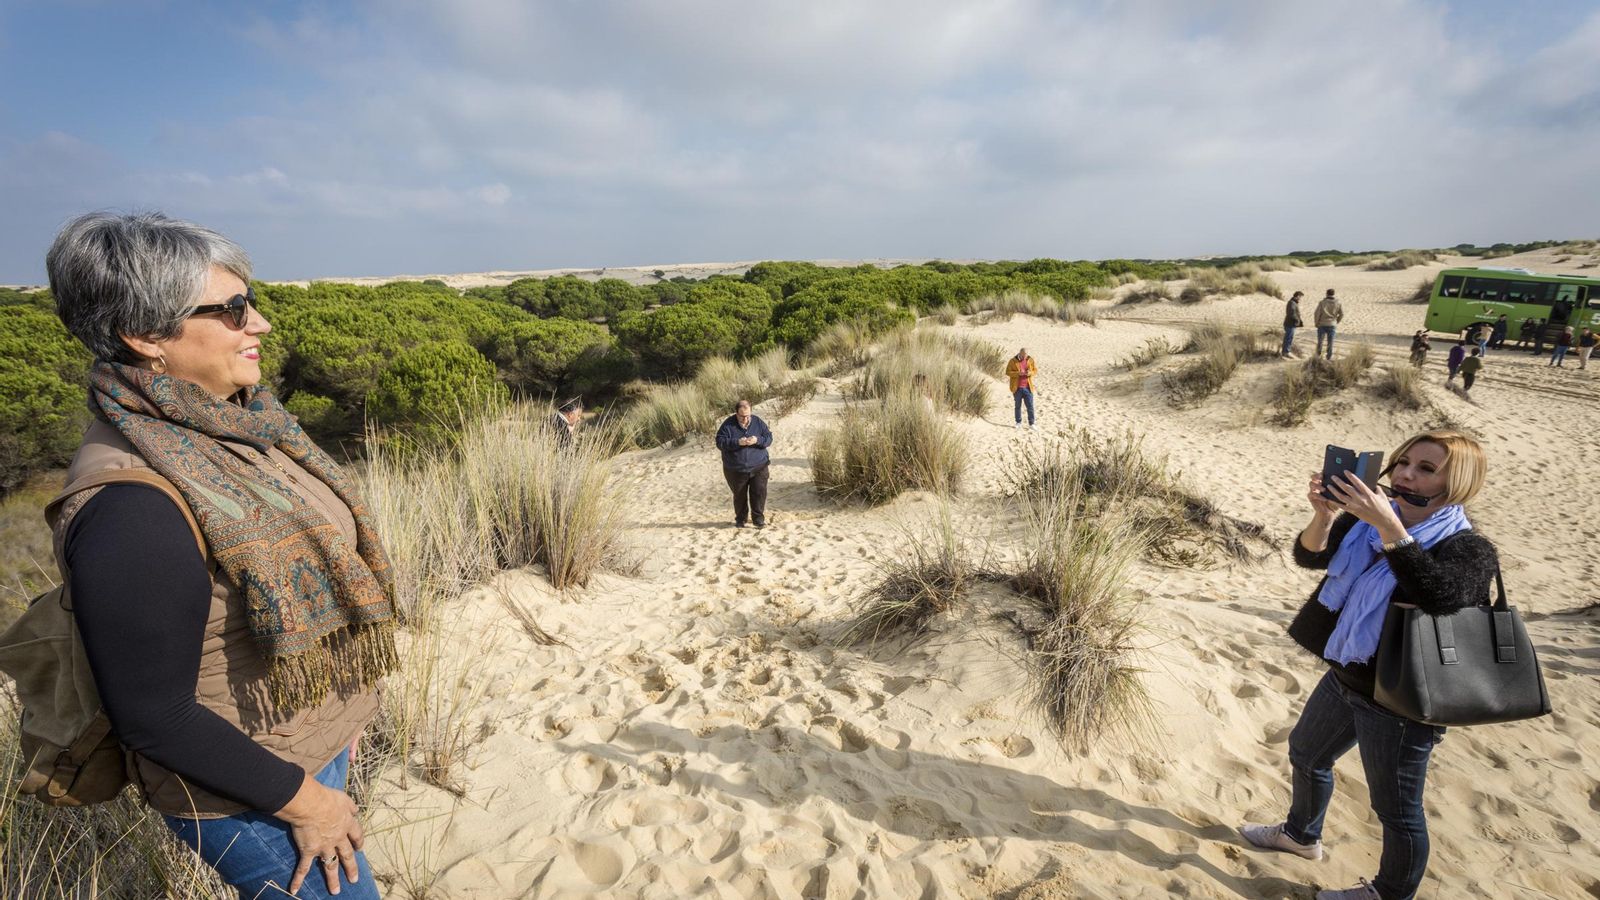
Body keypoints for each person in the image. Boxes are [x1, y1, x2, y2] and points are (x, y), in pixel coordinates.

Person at [44, 212, 393, 898]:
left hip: (300, 750)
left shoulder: (234, 426)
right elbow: (154, 715)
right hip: (251, 796)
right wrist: (307, 800)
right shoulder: (130, 506)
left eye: (251, 301)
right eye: (233, 310)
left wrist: (335, 729)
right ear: (145, 336)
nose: (259, 323)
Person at [1241, 430, 1495, 900]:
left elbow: (1440, 597)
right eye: (1403, 462)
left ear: (1456, 482)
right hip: (1348, 673)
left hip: (1402, 698)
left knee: (1396, 808)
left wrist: (1390, 530)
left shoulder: (1468, 548)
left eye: (1425, 468)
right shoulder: (1367, 521)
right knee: (1306, 753)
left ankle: (1390, 893)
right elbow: (1309, 556)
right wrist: (1324, 516)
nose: (1405, 473)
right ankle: (1301, 836)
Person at [715, 399, 772, 528]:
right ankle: (741, 519)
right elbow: (720, 442)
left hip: (759, 466)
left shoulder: (758, 422)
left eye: (748, 416)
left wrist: (757, 440)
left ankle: (758, 519)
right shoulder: (728, 425)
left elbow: (768, 438)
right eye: (742, 417)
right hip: (735, 469)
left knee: (759, 493)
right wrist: (737, 442)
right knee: (739, 496)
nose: (745, 419)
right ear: (736, 414)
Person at [1005, 347, 1038, 430]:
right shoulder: (1012, 361)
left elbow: (1035, 370)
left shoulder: (1030, 360)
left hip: (1028, 387)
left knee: (1030, 406)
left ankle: (1032, 423)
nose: (1024, 357)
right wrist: (1018, 373)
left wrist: (1030, 373)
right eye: (1023, 355)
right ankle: (1018, 422)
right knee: (1017, 406)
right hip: (1017, 388)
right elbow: (1007, 372)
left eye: (1026, 355)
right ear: (1020, 353)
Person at [1314, 289, 1343, 360]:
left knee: (1320, 341)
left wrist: (1316, 323)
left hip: (1322, 324)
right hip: (1332, 324)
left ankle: (1318, 356)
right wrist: (1336, 321)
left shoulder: (1322, 302)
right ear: (1334, 294)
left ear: (1326, 294)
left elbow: (1317, 313)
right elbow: (1342, 314)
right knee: (1330, 342)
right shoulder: (1338, 303)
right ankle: (1328, 357)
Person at [1283, 291, 1305, 358]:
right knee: (1288, 338)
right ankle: (1286, 352)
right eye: (1300, 297)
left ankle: (1286, 352)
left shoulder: (1293, 302)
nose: (1300, 298)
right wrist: (1297, 320)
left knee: (1289, 338)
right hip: (1290, 324)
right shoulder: (1292, 303)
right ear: (1297, 296)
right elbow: (1291, 313)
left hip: (1291, 324)